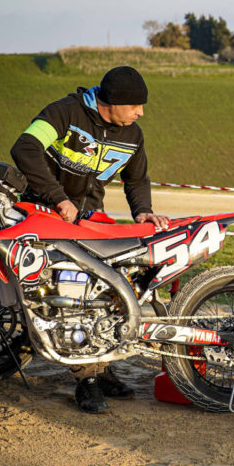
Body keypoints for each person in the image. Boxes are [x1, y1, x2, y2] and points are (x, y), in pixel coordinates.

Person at [11, 65, 169, 414]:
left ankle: (103, 363)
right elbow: (24, 148)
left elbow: (137, 178)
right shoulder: (64, 112)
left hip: (87, 220)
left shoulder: (133, 134)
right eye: (135, 106)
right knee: (72, 294)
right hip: (41, 215)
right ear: (112, 103)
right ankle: (88, 380)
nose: (141, 113)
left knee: (109, 290)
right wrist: (57, 196)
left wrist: (143, 211)